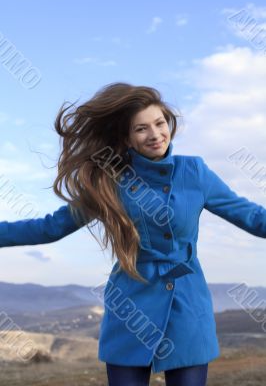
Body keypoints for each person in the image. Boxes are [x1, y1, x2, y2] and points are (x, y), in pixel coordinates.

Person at [1, 82, 265, 386]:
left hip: (188, 307)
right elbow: (49, 227)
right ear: (126, 137)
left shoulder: (195, 173)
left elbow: (253, 217)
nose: (155, 134)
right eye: (141, 129)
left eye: (159, 123)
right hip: (130, 307)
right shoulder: (109, 181)